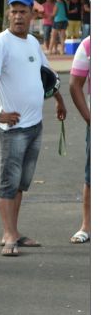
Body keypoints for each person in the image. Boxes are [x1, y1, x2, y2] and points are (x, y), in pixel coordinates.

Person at [0, 0, 66, 257]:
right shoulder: (0, 43)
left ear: (32, 14)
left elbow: (47, 74)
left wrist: (59, 100)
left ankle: (15, 231)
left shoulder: (33, 43)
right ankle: (7, 235)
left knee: (20, 183)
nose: (17, 16)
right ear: (8, 14)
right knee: (8, 183)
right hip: (12, 129)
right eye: (13, 11)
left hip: (35, 125)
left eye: (23, 11)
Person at [69, 35, 91, 244]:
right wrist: (89, 117)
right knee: (92, 175)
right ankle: (87, 225)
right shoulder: (88, 45)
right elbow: (75, 85)